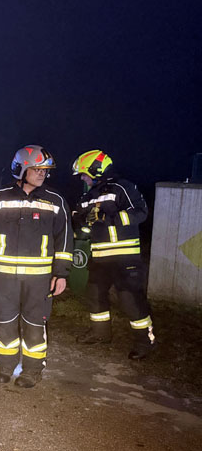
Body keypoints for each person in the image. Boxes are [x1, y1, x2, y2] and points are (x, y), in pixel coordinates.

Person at [0, 145, 72, 388]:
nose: (42, 174)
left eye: (45, 170)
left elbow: (65, 240)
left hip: (39, 280)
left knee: (35, 326)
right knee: (5, 323)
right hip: (4, 276)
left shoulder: (56, 201)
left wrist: (61, 274)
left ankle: (31, 371)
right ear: (21, 169)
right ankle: (5, 367)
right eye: (36, 169)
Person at [71, 150, 155, 360]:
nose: (82, 178)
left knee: (130, 300)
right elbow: (84, 226)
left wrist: (110, 217)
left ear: (96, 169)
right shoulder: (87, 197)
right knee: (94, 295)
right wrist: (80, 222)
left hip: (125, 258)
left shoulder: (122, 187)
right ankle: (100, 334)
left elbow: (141, 212)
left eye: (83, 173)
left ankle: (146, 342)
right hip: (99, 258)